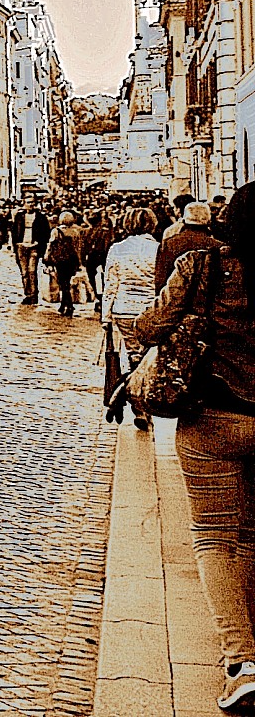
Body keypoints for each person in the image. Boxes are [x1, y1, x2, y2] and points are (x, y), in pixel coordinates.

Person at [129, 183, 255, 713]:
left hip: (212, 414)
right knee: (249, 535)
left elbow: (150, 325)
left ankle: (243, 662)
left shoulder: (201, 265)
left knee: (214, 537)